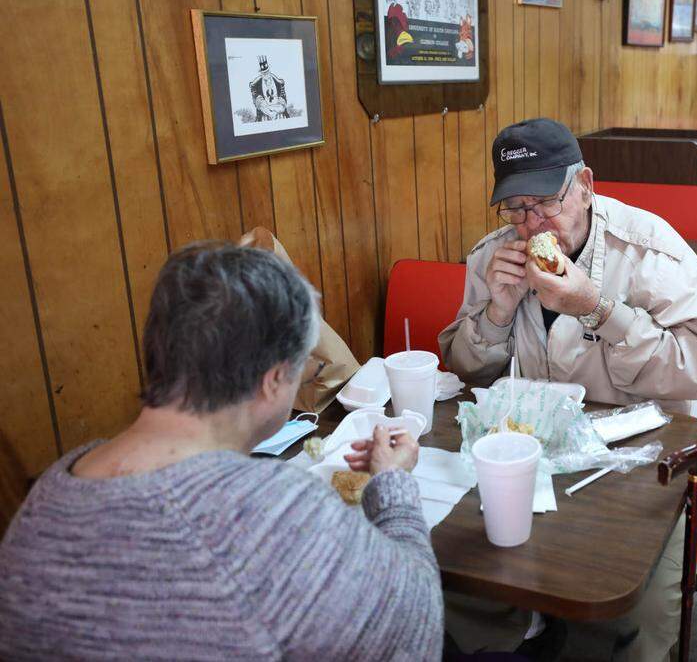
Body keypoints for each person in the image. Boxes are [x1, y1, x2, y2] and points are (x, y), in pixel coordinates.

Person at [0, 243, 443, 660]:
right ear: (273, 379)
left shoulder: (46, 497)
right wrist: (393, 484)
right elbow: (417, 631)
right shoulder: (269, 511)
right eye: (305, 366)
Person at [440, 117, 697, 661]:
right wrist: (497, 312)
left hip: (636, 471)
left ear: (586, 186)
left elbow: (696, 368)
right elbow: (466, 375)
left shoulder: (652, 254)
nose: (531, 225)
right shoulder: (492, 257)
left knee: (631, 622)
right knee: (454, 577)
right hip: (532, 464)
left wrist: (595, 307)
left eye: (546, 203)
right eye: (516, 208)